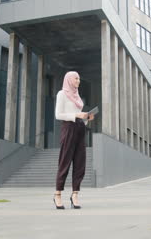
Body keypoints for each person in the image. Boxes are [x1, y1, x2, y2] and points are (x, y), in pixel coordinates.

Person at [53, 71, 94, 209]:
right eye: (76, 78)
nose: (78, 81)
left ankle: (75, 194)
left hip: (80, 128)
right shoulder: (62, 94)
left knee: (80, 163)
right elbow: (58, 115)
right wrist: (77, 114)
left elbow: (79, 116)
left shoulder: (77, 96)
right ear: (69, 79)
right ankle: (57, 194)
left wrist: (86, 118)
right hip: (68, 128)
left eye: (79, 78)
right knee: (65, 161)